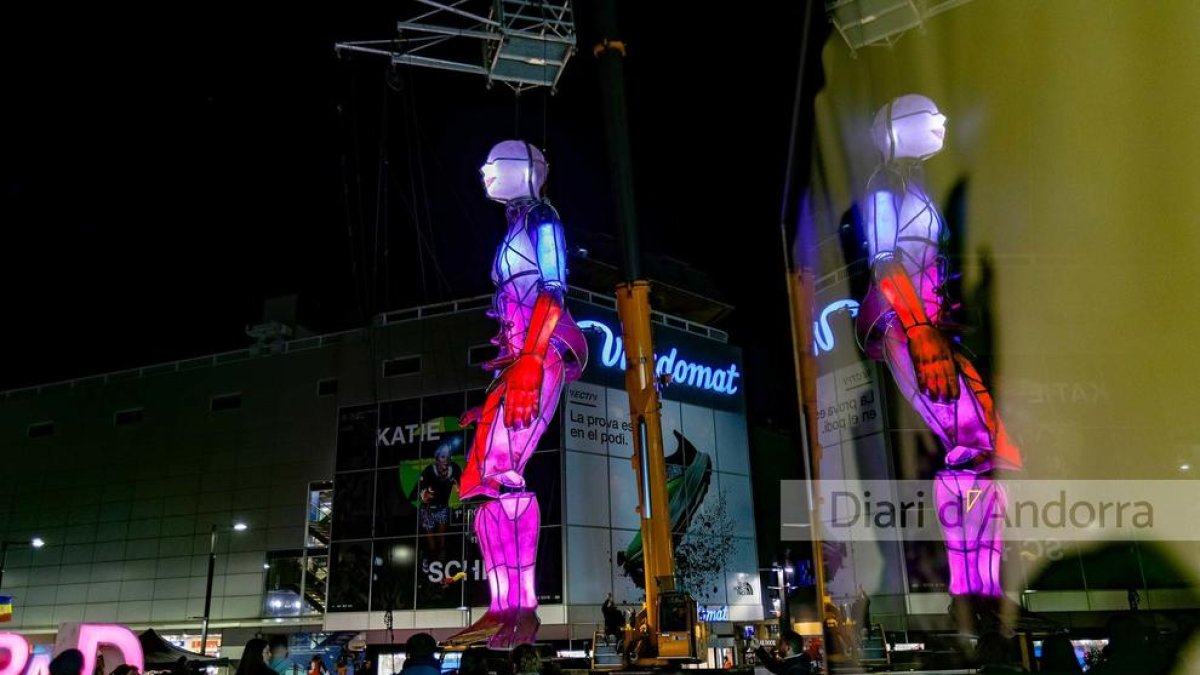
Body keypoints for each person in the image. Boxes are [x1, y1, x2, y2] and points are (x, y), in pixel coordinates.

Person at [857, 94, 1022, 606]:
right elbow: (884, 264)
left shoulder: (914, 184)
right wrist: (920, 332)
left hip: (928, 327)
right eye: (930, 115)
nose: (942, 121)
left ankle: (980, 589)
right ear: (900, 126)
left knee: (984, 451)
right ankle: (972, 592)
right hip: (910, 326)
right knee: (974, 446)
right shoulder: (884, 185)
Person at [445, 139, 588, 649]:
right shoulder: (514, 227)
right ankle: (501, 604)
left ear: (525, 171)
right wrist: (486, 402)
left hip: (539, 354)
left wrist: (530, 360)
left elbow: (553, 290)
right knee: (483, 483)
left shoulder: (544, 221)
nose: (485, 174)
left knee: (503, 474)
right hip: (514, 363)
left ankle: (521, 606)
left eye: (494, 166)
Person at [416, 437, 464, 571]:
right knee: (431, 544)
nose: (446, 460)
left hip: (442, 508)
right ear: (437, 458)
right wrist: (426, 494)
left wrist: (457, 485)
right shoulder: (429, 471)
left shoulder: (454, 469)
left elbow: (460, 488)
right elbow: (422, 493)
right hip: (427, 510)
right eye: (443, 457)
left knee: (442, 541)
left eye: (448, 456)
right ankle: (429, 563)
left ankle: (442, 568)